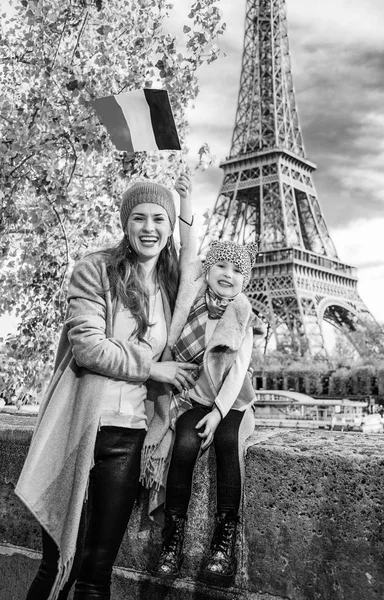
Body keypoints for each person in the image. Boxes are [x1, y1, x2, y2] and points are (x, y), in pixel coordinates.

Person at [15, 174, 197, 600]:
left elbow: (196, 264)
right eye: (139, 218)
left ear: (170, 228)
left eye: (159, 219)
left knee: (98, 573)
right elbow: (88, 348)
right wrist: (154, 368)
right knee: (61, 562)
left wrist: (189, 203)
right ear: (125, 223)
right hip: (80, 429)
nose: (149, 228)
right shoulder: (95, 268)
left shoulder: (171, 287)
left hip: (129, 437)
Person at [141, 239, 264, 588]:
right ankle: (172, 540)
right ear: (207, 270)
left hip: (232, 401)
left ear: (247, 280)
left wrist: (219, 412)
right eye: (221, 266)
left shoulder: (242, 315)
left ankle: (223, 545)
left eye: (238, 270)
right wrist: (186, 199)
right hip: (194, 398)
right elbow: (188, 248)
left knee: (228, 445)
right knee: (183, 446)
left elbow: (238, 371)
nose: (228, 274)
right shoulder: (190, 299)